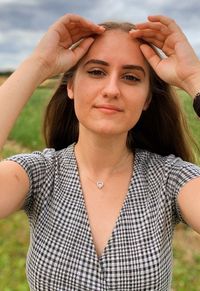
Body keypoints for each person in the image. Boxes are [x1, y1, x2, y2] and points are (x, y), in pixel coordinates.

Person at [0, 13, 200, 291]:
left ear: (147, 99)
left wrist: (194, 78)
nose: (111, 89)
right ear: (70, 85)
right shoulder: (39, 174)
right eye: (96, 71)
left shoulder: (171, 179)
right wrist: (38, 64)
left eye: (131, 77)